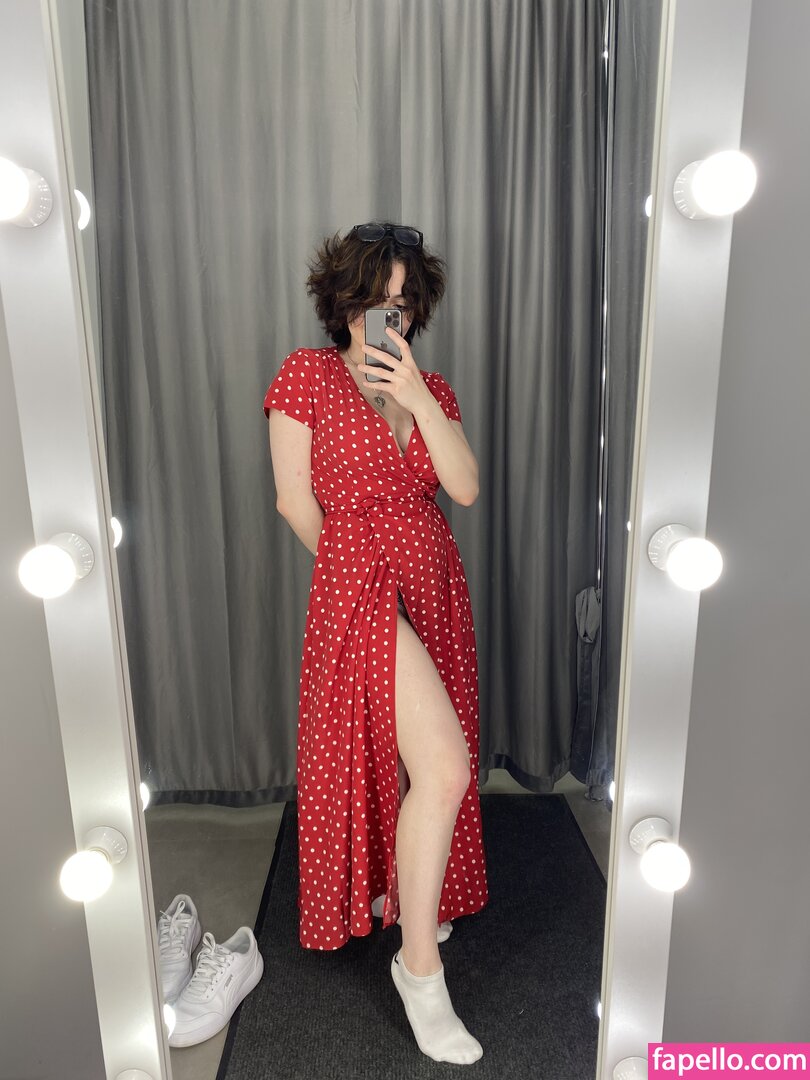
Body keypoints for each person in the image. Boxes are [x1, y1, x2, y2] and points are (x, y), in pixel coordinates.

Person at [264, 222, 488, 1065]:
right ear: (342, 303)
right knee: (445, 767)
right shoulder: (307, 374)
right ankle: (419, 973)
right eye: (371, 300)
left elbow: (463, 488)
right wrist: (351, 577)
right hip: (358, 592)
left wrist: (420, 399)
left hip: (433, 587)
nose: (386, 318)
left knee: (412, 761)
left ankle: (410, 896)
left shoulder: (433, 389)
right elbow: (294, 501)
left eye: (401, 303)